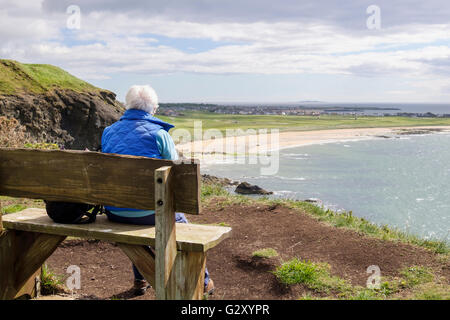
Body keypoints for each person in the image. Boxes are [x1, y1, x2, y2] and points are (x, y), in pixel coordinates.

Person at [101, 85, 214, 296]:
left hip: (115, 211)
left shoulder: (108, 132)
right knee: (179, 224)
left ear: (128, 106)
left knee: (138, 204)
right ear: (153, 109)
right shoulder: (159, 135)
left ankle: (140, 279)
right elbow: (177, 171)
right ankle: (204, 282)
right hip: (151, 214)